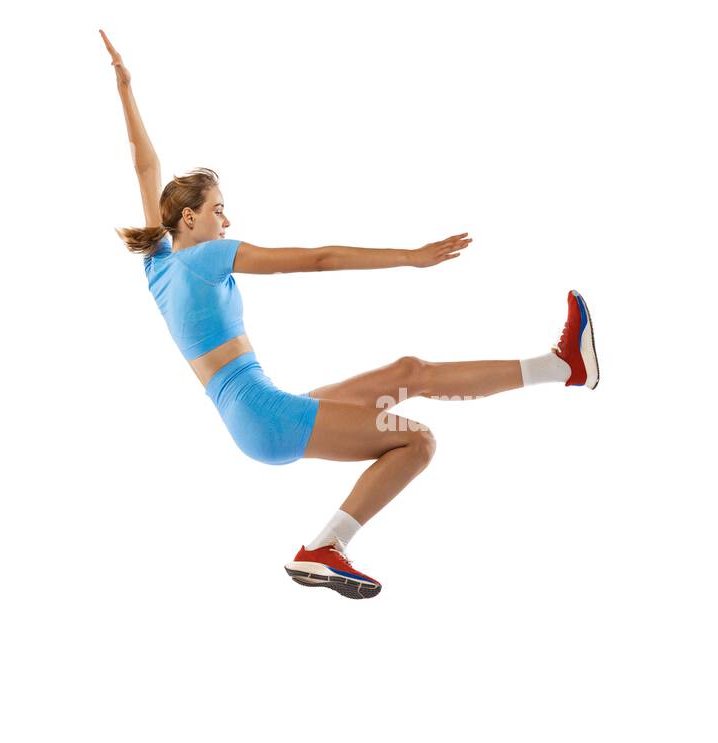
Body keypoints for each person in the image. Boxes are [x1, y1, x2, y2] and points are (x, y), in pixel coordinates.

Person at [100, 30, 599, 600]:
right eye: (218, 210)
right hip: (263, 412)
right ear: (188, 219)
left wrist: (125, 88)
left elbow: (146, 167)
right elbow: (316, 259)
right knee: (418, 443)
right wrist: (409, 257)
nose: (226, 221)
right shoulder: (205, 256)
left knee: (408, 371)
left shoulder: (158, 264)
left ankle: (563, 366)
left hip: (257, 412)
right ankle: (324, 548)